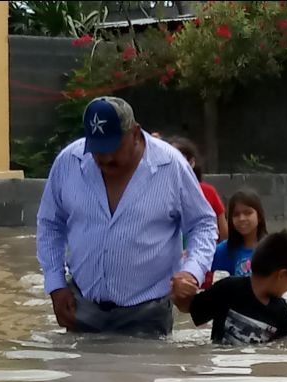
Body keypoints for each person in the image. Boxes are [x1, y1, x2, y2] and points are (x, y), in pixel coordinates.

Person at [36, 96, 218, 337]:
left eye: (113, 147)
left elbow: (203, 224)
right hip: (82, 306)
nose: (105, 158)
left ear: (135, 133)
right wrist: (56, 285)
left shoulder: (170, 165)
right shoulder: (69, 162)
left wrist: (191, 271)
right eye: (96, 150)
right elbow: (50, 224)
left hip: (147, 313)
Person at [173, 230, 287, 345]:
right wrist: (178, 291)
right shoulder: (228, 288)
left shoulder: (280, 310)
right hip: (222, 371)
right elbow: (189, 307)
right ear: (282, 275)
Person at [165, 136, 228, 242]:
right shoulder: (157, 194)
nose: (174, 164)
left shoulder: (208, 192)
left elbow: (224, 234)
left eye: (179, 158)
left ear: (192, 162)